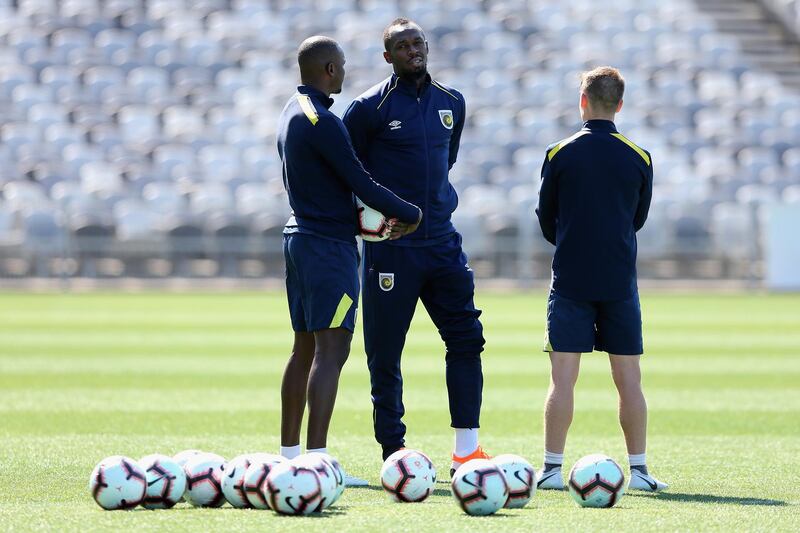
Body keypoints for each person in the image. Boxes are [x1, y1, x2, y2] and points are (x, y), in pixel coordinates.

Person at [342, 18, 487, 475]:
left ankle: (466, 450)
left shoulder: (452, 102)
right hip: (391, 250)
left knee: (466, 338)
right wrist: (376, 221)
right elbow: (349, 175)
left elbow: (448, 162)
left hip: (443, 243)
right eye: (402, 46)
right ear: (387, 57)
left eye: (417, 43)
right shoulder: (367, 108)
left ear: (428, 46)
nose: (412, 51)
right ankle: (394, 454)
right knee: (385, 353)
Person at [276, 36, 422, 484]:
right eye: (341, 64)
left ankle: (289, 456)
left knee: (304, 348)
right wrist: (411, 213)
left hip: (300, 237)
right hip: (327, 247)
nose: (345, 71)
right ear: (330, 70)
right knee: (332, 350)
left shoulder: (290, 110)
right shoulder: (323, 120)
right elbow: (359, 179)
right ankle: (317, 461)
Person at [534, 66, 667, 492]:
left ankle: (552, 470)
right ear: (620, 105)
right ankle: (641, 472)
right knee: (629, 380)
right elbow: (638, 220)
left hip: (570, 280)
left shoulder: (559, 153)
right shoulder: (640, 156)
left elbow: (546, 218)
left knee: (562, 379)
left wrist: (573, 243)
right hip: (619, 282)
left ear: (583, 100)